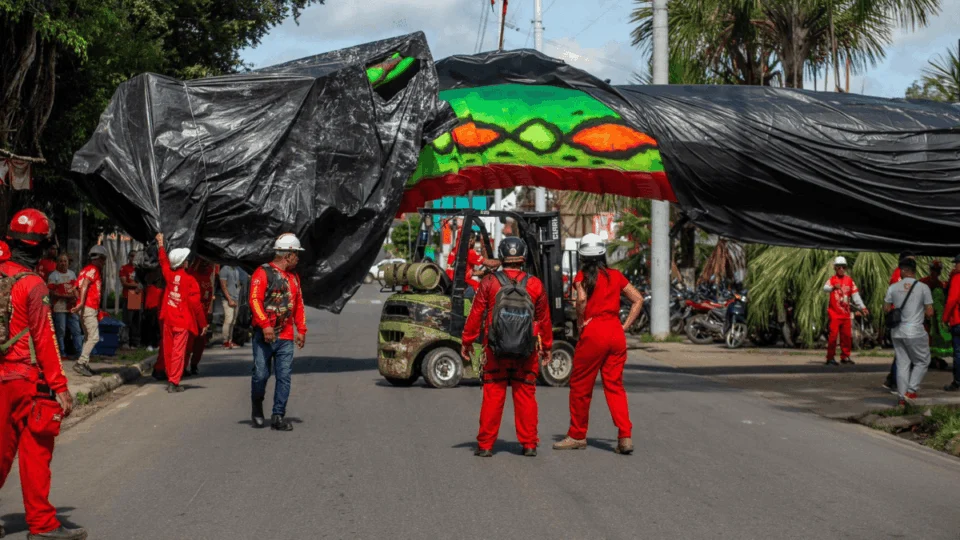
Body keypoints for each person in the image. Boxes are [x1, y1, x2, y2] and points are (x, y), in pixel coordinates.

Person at [0, 209, 87, 540]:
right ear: (42, 247)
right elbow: (46, 339)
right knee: (35, 450)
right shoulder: (34, 285)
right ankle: (42, 524)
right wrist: (60, 387)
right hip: (25, 380)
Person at [461, 236, 551, 457]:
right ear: (523, 257)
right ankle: (529, 444)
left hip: (495, 350)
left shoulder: (489, 282)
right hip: (526, 351)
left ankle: (485, 446)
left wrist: (467, 341)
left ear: (502, 256)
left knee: (493, 395)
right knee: (526, 395)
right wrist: (547, 346)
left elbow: (476, 315)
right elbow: (543, 320)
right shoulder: (535, 284)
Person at [554, 234, 642, 455]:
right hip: (615, 332)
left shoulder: (582, 276)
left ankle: (577, 434)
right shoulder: (616, 275)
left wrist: (582, 321)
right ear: (603, 254)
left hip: (594, 332)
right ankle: (625, 436)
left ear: (583, 256)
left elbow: (581, 300)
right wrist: (624, 326)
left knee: (581, 386)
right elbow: (638, 299)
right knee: (615, 386)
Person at [249, 233, 307, 431]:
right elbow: (255, 300)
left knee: (284, 376)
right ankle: (257, 407)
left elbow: (298, 304)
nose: (298, 258)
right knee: (260, 374)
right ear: (288, 255)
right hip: (263, 336)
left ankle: (278, 415)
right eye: (296, 254)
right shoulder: (262, 273)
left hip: (285, 337)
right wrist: (265, 325)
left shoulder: (294, 278)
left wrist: (301, 330)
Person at [155, 233, 207, 393]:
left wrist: (161, 244)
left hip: (168, 320)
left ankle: (171, 378)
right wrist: (203, 324)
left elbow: (163, 261)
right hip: (182, 322)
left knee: (169, 350)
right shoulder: (191, 281)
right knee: (178, 352)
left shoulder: (169, 275)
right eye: (186, 260)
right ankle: (174, 382)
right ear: (182, 263)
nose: (187, 261)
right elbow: (196, 305)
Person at [884, 258, 934, 405]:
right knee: (923, 361)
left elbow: (887, 308)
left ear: (903, 270)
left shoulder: (893, 287)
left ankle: (901, 398)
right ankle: (911, 391)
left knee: (902, 363)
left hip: (897, 332)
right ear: (914, 270)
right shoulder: (923, 288)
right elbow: (930, 312)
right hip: (915, 331)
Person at [822, 256, 867, 366]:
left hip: (846, 314)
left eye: (844, 267)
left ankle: (845, 356)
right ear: (835, 268)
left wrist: (863, 307)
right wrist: (833, 287)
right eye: (839, 267)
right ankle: (830, 358)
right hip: (834, 314)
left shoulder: (849, 281)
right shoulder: (832, 279)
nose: (841, 269)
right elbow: (825, 288)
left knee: (846, 336)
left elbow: (856, 296)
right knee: (833, 336)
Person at [71, 245, 108, 377]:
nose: (104, 263)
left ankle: (85, 363)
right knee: (94, 337)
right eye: (103, 260)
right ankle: (81, 363)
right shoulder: (93, 270)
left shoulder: (84, 270)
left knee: (88, 337)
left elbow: (75, 288)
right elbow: (85, 284)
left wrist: (79, 303)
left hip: (85, 308)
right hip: (89, 307)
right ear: (98, 259)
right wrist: (82, 303)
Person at [184, 257, 216, 376]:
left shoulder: (208, 278)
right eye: (203, 263)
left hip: (202, 317)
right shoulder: (192, 276)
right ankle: (183, 367)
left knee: (200, 343)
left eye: (207, 263)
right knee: (188, 343)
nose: (206, 265)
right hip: (191, 316)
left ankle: (194, 365)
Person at [48, 254, 84, 358]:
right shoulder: (53, 276)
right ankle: (61, 353)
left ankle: (79, 353)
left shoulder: (72, 274)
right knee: (61, 331)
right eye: (61, 261)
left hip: (71, 306)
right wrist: (64, 296)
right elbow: (50, 292)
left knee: (76, 330)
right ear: (57, 263)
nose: (63, 263)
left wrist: (75, 296)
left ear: (68, 263)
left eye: (65, 261)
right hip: (59, 307)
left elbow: (76, 288)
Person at [921, 261, 951, 369]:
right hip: (924, 316)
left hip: (935, 318)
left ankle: (933, 357)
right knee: (926, 337)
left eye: (937, 271)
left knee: (934, 338)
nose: (935, 273)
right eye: (933, 270)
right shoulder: (923, 282)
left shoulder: (940, 285)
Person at [942, 256, 960, 392]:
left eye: (957, 264)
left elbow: (952, 300)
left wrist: (945, 318)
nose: (955, 266)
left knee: (958, 353)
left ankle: (958, 381)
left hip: (958, 320)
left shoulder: (957, 278)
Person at [119, 250, 142, 348]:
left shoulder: (140, 270)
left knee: (136, 320)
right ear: (129, 257)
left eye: (135, 256)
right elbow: (124, 283)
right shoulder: (124, 268)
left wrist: (139, 286)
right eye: (132, 256)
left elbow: (144, 282)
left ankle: (135, 341)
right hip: (128, 296)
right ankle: (125, 341)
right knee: (127, 320)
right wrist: (137, 285)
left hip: (138, 296)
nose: (133, 258)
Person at [218, 264, 242, 348]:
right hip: (227, 298)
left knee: (233, 321)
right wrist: (229, 299)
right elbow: (223, 285)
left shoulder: (236, 269)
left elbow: (238, 284)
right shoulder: (225, 269)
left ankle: (230, 340)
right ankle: (225, 341)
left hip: (236, 297)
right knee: (228, 319)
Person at [141, 267, 164, 352]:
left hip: (156, 310)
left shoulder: (160, 290)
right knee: (150, 328)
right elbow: (144, 300)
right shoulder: (149, 289)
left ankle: (155, 343)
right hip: (150, 310)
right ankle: (150, 344)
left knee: (156, 328)